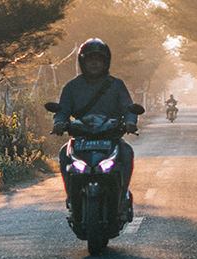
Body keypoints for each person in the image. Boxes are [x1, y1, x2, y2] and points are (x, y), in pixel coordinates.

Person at [51, 38, 138, 202]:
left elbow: (128, 108)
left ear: (106, 62)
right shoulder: (72, 87)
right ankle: (71, 196)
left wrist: (130, 122)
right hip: (81, 138)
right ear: (82, 62)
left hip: (110, 137)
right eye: (90, 59)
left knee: (126, 152)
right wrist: (59, 123)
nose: (94, 64)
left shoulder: (117, 85)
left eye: (98, 59)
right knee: (64, 153)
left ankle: (122, 194)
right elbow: (62, 111)